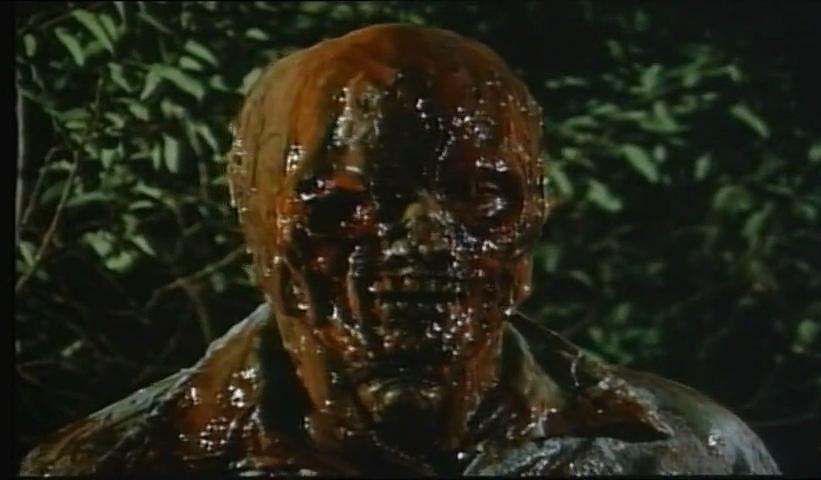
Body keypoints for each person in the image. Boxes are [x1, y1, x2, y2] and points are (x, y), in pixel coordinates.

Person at [19, 23, 780, 476]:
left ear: (533, 215)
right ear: (259, 223)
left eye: (479, 196)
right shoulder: (119, 465)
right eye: (346, 205)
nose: (426, 241)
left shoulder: (694, 454)